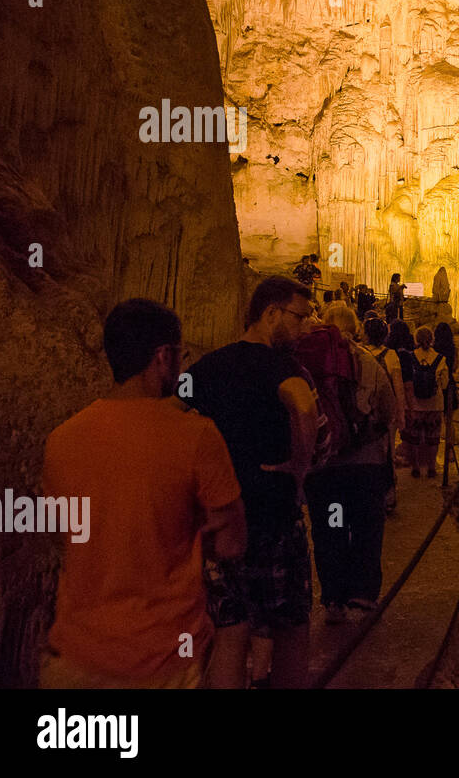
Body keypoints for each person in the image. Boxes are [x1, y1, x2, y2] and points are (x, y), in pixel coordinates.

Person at [40, 299, 246, 688]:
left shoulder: (61, 439)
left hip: (75, 654)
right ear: (163, 357)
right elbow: (233, 543)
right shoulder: (196, 435)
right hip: (162, 657)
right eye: (179, 354)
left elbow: (68, 532)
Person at [186, 277, 319, 689]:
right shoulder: (281, 365)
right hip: (273, 517)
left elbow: (172, 410)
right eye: (299, 317)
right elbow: (303, 403)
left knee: (230, 628)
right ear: (271, 314)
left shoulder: (209, 366)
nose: (304, 328)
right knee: (291, 627)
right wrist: (299, 464)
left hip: (222, 519)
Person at [302, 304, 395, 624]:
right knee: (367, 525)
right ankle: (363, 593)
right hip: (364, 464)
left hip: (324, 467)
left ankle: (333, 600)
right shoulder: (368, 361)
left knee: (330, 529)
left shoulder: (309, 364)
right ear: (355, 328)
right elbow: (387, 408)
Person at [363, 316, 406, 510]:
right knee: (387, 453)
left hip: (365, 411)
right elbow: (398, 387)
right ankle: (388, 496)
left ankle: (368, 495)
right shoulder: (390, 356)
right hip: (386, 412)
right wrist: (401, 413)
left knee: (367, 453)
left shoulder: (360, 353)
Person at [397, 325, 448, 479]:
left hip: (414, 405)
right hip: (434, 405)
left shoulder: (410, 357)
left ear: (416, 340)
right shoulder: (440, 358)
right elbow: (445, 384)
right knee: (433, 438)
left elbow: (406, 381)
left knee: (413, 438)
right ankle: (432, 467)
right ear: (432, 340)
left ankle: (416, 467)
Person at [432, 321, 459, 475]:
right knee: (450, 421)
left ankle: (433, 455)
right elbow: (454, 367)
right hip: (450, 385)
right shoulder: (453, 349)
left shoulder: (434, 349)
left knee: (435, 421)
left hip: (437, 387)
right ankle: (450, 453)